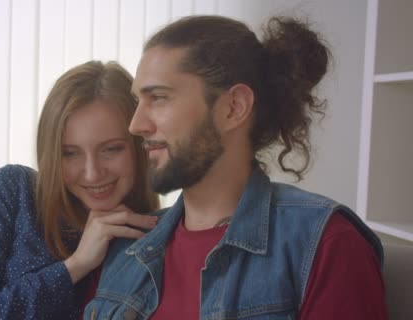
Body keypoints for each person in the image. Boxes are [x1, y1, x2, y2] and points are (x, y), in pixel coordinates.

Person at [84, 15, 388, 319]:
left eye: (159, 98)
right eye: (138, 101)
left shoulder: (326, 243)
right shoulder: (125, 249)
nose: (136, 125)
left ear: (234, 107)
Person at [0, 60, 159, 320]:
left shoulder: (152, 238)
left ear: (140, 145)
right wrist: (76, 266)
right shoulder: (15, 188)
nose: (92, 173)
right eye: (69, 153)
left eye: (111, 149)